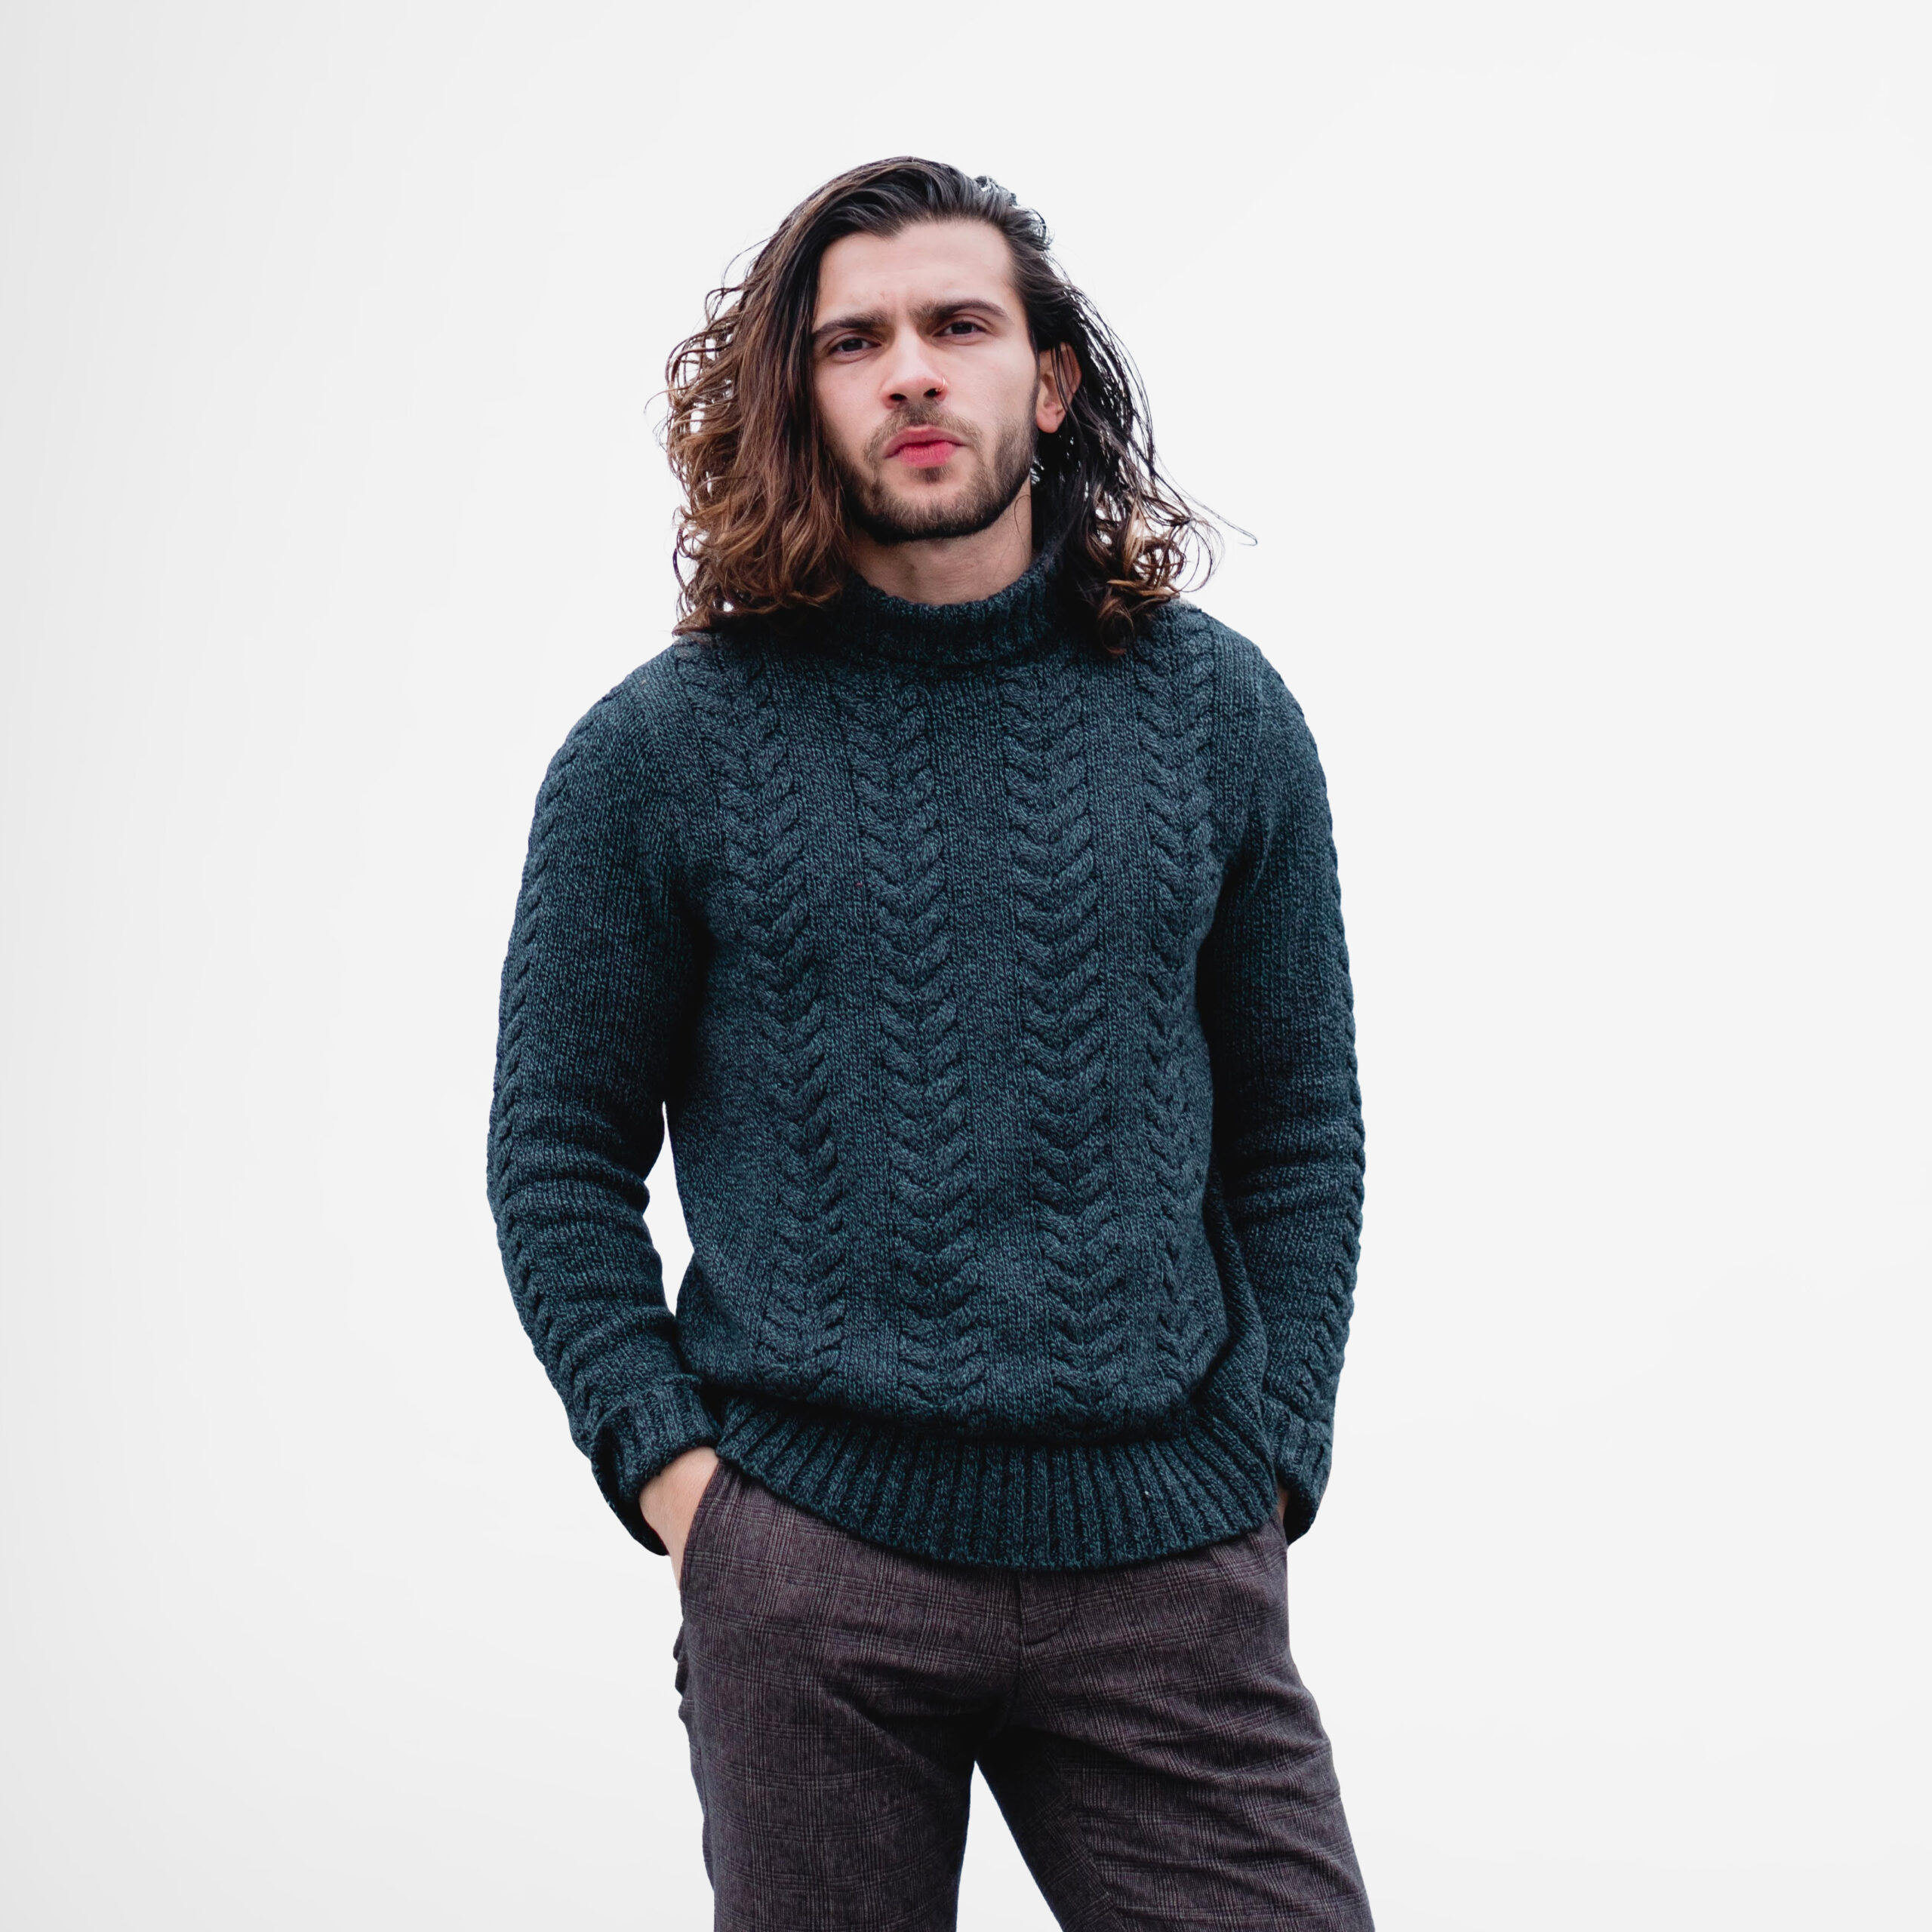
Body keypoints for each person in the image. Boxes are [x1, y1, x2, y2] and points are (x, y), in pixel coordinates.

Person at [486, 155, 1374, 1930]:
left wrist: (1269, 1452)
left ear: (1045, 380)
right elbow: (557, 1149)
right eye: (853, 341)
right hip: (812, 1569)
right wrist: (681, 1481)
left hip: (1164, 1560)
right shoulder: (657, 753)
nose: (908, 371)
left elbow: (1298, 1123)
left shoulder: (1217, 715)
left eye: (957, 324)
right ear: (799, 399)